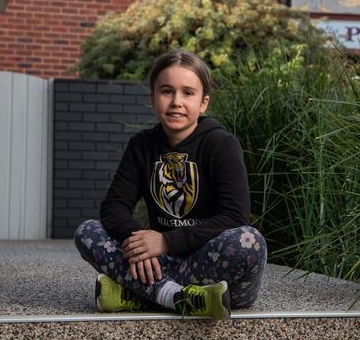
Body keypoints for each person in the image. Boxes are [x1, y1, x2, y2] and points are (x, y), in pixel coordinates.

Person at [74, 50, 267, 320]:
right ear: (152, 98)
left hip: (213, 268)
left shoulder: (221, 144)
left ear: (203, 103)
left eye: (188, 93)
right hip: (158, 263)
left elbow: (235, 215)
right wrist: (138, 243)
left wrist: (166, 240)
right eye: (167, 91)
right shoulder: (142, 145)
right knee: (87, 231)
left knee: (249, 243)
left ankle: (143, 294)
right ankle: (179, 297)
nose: (176, 102)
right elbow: (114, 207)